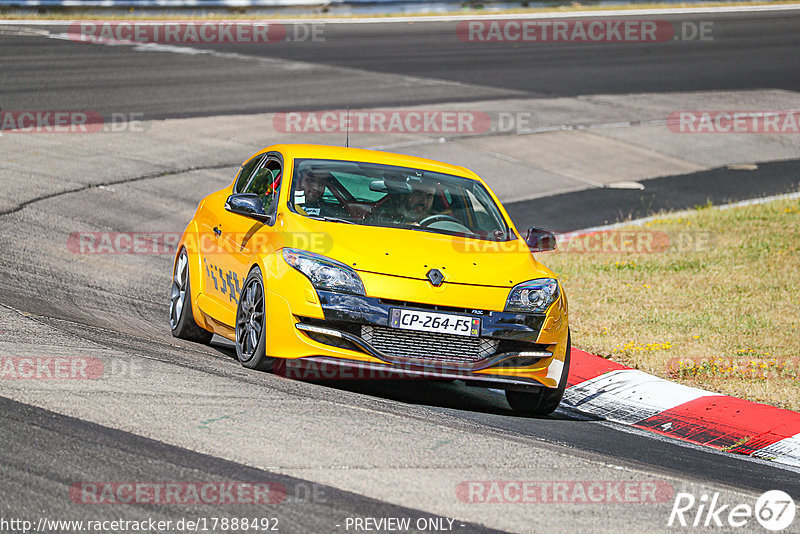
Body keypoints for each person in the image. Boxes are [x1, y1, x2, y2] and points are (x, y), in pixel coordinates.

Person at [372, 178, 438, 224]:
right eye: (417, 194)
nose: (424, 201)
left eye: (429, 196)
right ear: (403, 196)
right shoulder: (383, 215)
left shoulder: (437, 221)